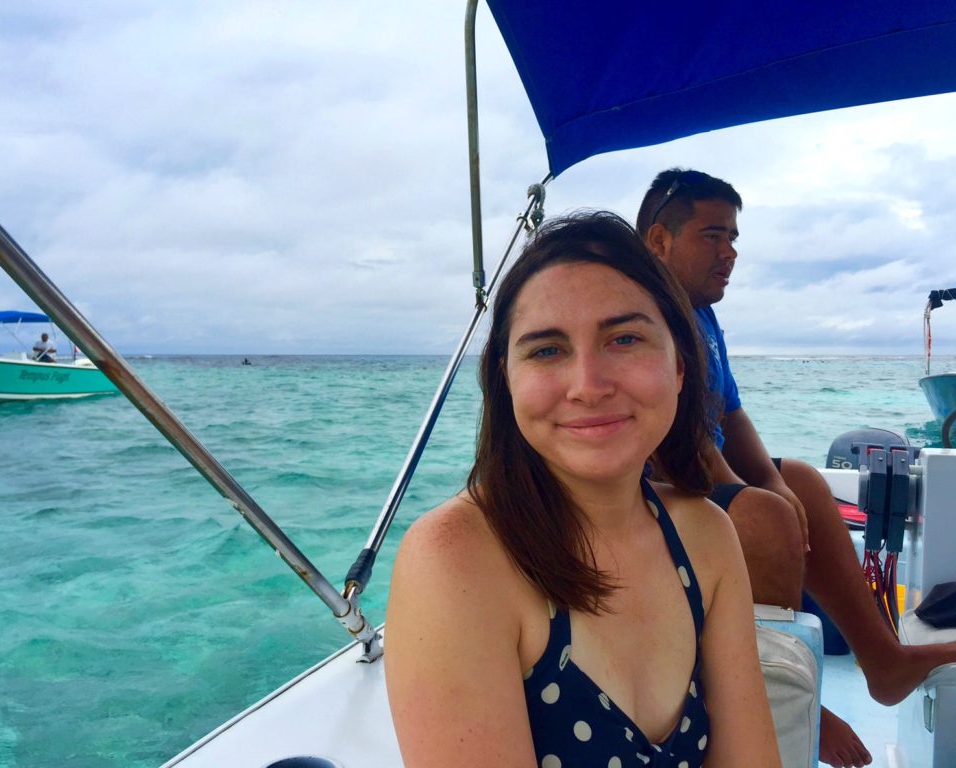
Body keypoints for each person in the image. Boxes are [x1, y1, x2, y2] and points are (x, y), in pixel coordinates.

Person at [386, 211, 781, 767]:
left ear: (680, 369)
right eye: (547, 350)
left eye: (624, 338)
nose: (588, 386)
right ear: (506, 379)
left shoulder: (706, 537)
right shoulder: (455, 561)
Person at [637, 168, 956, 768]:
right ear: (659, 240)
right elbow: (678, 443)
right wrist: (758, 502)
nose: (730, 253)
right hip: (652, 484)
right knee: (765, 520)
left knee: (803, 483)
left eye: (734, 237)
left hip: (696, 471)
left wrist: (780, 486)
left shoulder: (702, 315)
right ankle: (790, 696)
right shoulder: (646, 311)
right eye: (713, 236)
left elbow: (729, 415)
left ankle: (882, 661)